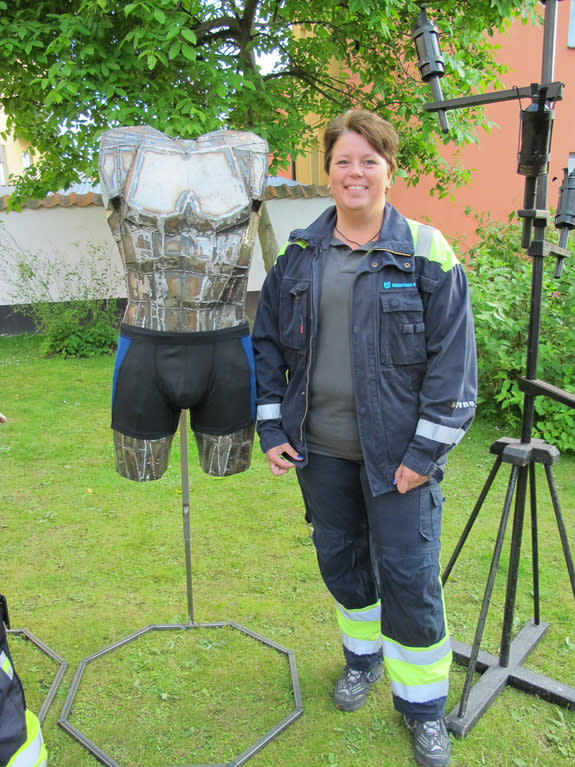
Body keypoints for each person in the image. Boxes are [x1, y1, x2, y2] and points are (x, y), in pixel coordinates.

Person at [251, 110, 477, 767]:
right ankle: (361, 659)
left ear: (389, 170)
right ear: (328, 171)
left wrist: (421, 456)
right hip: (318, 452)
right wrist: (271, 426)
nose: (355, 172)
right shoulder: (298, 252)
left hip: (398, 463)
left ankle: (423, 710)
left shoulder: (426, 252)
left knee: (408, 580)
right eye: (343, 160)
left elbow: (453, 367)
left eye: (368, 160)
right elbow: (265, 344)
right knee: (342, 565)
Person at [99, 126, 268, 481]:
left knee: (226, 466)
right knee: (139, 469)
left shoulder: (248, 152)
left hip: (225, 344)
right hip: (146, 342)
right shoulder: (120, 147)